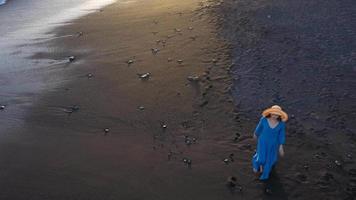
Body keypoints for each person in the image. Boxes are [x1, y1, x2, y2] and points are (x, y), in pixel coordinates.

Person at [252, 105, 288, 180]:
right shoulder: (264, 120)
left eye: (276, 114)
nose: (274, 115)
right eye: (273, 113)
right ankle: (256, 164)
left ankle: (265, 173)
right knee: (261, 158)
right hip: (263, 142)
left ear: (279, 115)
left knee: (270, 159)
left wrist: (281, 146)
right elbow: (259, 128)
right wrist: (255, 134)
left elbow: (281, 135)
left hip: (273, 144)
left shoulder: (281, 124)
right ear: (270, 112)